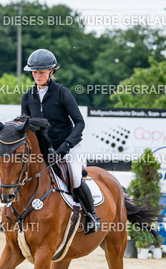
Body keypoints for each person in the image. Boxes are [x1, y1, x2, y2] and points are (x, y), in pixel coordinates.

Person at [21, 48, 101, 234]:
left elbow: (80, 123)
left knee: (75, 179)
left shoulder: (62, 93)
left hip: (67, 146)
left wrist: (66, 146)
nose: (37, 75)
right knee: (22, 176)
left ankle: (92, 216)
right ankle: (15, 216)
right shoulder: (27, 97)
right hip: (43, 151)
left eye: (41, 72)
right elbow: (26, 126)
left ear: (51, 71)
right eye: (34, 72)